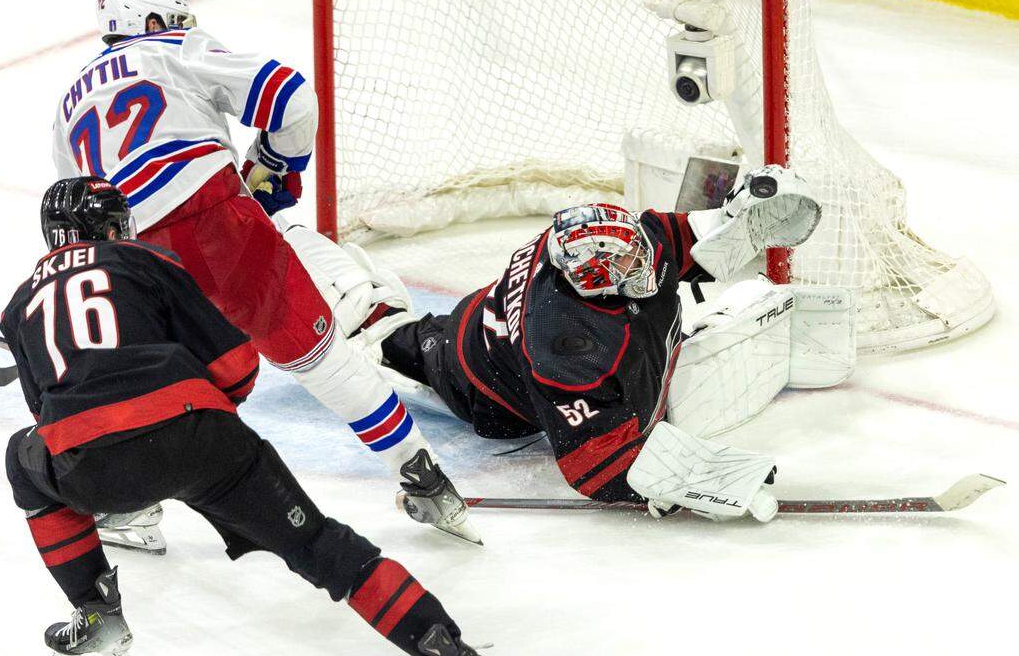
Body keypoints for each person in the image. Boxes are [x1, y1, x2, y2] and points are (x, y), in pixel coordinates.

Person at [0, 177, 504, 656]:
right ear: (108, 227)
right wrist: (191, 427)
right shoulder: (149, 261)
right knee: (320, 547)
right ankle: (450, 651)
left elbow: (46, 415)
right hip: (207, 441)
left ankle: (96, 616)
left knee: (23, 458)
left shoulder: (18, 305)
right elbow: (237, 370)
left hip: (94, 467)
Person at [49, 0, 478, 543]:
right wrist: (278, 163)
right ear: (152, 24)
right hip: (215, 217)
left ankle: (133, 507)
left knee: (163, 389)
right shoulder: (173, 49)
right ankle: (423, 479)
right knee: (321, 359)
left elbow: (81, 213)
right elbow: (291, 95)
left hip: (131, 255)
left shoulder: (65, 107)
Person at [312, 166, 853, 521]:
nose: (644, 264)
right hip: (483, 389)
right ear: (595, 281)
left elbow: (674, 240)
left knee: (649, 327)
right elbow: (593, 466)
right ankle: (374, 324)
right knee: (398, 342)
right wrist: (684, 482)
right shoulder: (567, 348)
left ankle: (388, 326)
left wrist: (733, 216)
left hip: (484, 324)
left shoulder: (603, 245)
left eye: (637, 253)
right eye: (628, 266)